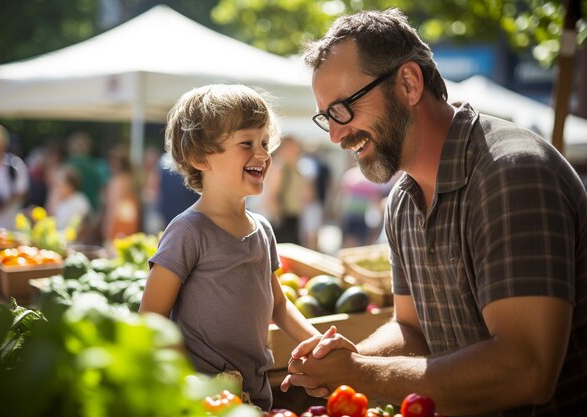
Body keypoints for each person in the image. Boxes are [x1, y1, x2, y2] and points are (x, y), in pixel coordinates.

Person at [281, 9, 587, 416]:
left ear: (408, 83)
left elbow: (525, 371)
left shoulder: (513, 173)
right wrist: (346, 359)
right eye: (327, 118)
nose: (336, 134)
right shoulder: (403, 201)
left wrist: (360, 372)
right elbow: (413, 330)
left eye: (343, 108)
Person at [138, 84, 320, 411]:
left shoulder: (263, 229)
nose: (263, 154)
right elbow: (152, 320)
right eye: (246, 143)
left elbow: (279, 305)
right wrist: (192, 384)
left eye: (265, 142)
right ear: (199, 157)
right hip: (203, 401)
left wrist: (317, 344)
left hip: (256, 394)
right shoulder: (187, 231)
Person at [46, 165, 91, 231]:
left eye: (60, 185)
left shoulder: (79, 202)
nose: (57, 189)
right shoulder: (62, 200)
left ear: (70, 186)